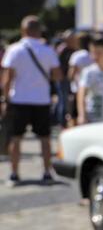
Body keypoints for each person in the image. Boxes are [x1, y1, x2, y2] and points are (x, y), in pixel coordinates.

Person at [1, 16, 62, 186]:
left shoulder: (14, 49)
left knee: (15, 138)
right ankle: (47, 172)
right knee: (45, 138)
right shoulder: (47, 50)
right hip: (41, 99)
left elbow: (7, 78)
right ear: (39, 31)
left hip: (19, 99)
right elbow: (57, 75)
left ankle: (14, 173)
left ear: (23, 30)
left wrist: (5, 100)